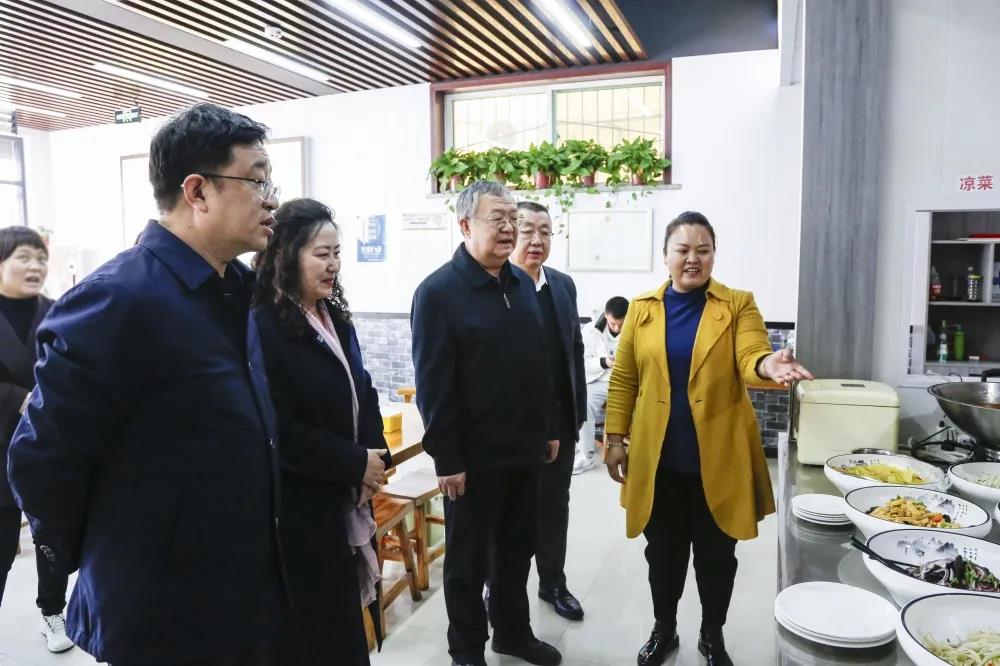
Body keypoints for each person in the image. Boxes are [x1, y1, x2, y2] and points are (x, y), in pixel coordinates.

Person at [8, 103, 285, 666]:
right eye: (258, 181)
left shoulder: (236, 290)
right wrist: (114, 552)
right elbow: (41, 459)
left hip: (239, 588)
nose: (272, 199)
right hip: (161, 607)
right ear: (197, 191)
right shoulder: (117, 298)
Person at [604, 211, 813, 666]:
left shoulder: (737, 304)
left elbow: (751, 354)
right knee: (663, 555)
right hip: (658, 461)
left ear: (714, 255)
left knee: (717, 557)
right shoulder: (641, 308)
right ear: (665, 256)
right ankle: (664, 629)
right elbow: (624, 379)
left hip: (718, 460)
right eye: (682, 250)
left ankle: (712, 633)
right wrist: (615, 437)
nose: (693, 258)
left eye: (703, 250)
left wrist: (768, 366)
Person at [411, 180, 562, 666]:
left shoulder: (521, 284)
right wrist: (447, 459)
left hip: (523, 450)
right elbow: (434, 386)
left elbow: (537, 363)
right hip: (472, 462)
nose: (509, 228)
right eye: (498, 218)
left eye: (512, 218)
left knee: (517, 551)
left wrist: (548, 428)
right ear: (464, 225)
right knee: (467, 564)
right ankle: (466, 650)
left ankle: (512, 633)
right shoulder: (438, 293)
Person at [253, 198, 390, 665]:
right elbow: (280, 429)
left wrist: (375, 454)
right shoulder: (265, 326)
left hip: (348, 490)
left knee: (348, 624)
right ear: (286, 255)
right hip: (305, 506)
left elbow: (363, 389)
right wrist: (354, 463)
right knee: (318, 629)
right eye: (321, 254)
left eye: (337, 253)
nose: (333, 265)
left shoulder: (333, 315)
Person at [508, 201, 586, 622]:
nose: (536, 240)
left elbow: (574, 349)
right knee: (512, 512)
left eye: (545, 231)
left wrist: (577, 416)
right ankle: (501, 586)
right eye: (527, 230)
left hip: (560, 420)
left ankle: (553, 581)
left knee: (555, 506)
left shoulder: (562, 285)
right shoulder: (498, 285)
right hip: (514, 427)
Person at [0, 226, 73, 653]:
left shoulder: (59, 310)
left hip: (48, 442)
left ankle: (52, 610)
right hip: (2, 442)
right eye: (23, 258)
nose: (35, 267)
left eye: (40, 259)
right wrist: (18, 398)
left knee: (51, 538)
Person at [574, 296, 629, 475]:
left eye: (621, 324)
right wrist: (604, 362)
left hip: (625, 383)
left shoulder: (636, 329)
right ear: (606, 315)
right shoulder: (590, 331)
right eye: (613, 323)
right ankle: (586, 456)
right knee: (583, 404)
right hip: (598, 380)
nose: (617, 328)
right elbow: (582, 362)